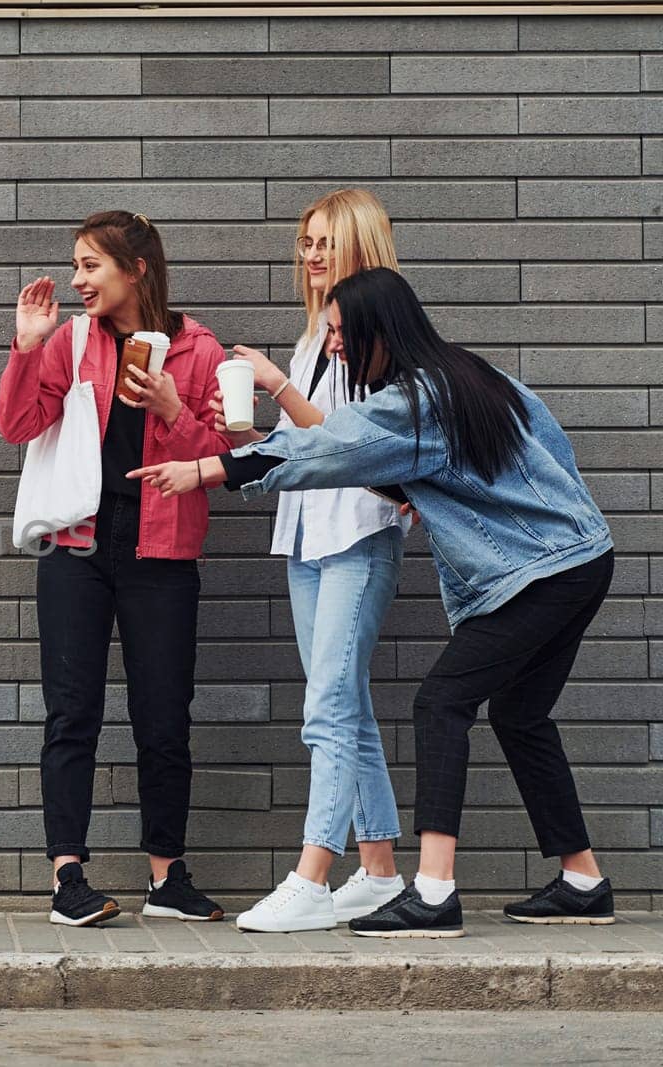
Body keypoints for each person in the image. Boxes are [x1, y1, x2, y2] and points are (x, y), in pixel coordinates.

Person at [131, 267, 617, 938]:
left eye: (338, 333)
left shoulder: (412, 402)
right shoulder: (469, 372)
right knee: (520, 712)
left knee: (441, 701)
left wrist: (207, 469)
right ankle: (583, 879)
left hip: (537, 574)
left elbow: (325, 447)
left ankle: (435, 891)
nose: (333, 345)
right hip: (583, 555)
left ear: (376, 334)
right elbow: (538, 448)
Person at [0, 211, 233, 927]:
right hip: (76, 546)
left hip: (162, 550)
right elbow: (17, 425)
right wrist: (25, 348)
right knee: (73, 711)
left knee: (164, 717)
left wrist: (172, 409)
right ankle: (68, 876)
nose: (76, 281)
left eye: (91, 266)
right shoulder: (70, 340)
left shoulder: (197, 348)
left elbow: (224, 456)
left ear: (136, 269)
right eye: (75, 266)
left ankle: (167, 876)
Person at [217, 190, 412, 933]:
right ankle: (382, 870)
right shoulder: (313, 338)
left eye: (326, 241)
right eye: (305, 242)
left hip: (358, 536)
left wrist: (276, 386)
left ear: (360, 244)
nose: (312, 254)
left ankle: (312, 876)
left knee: (326, 707)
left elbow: (347, 440)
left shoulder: (381, 333)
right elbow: (302, 445)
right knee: (345, 703)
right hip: (307, 537)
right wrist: (237, 440)